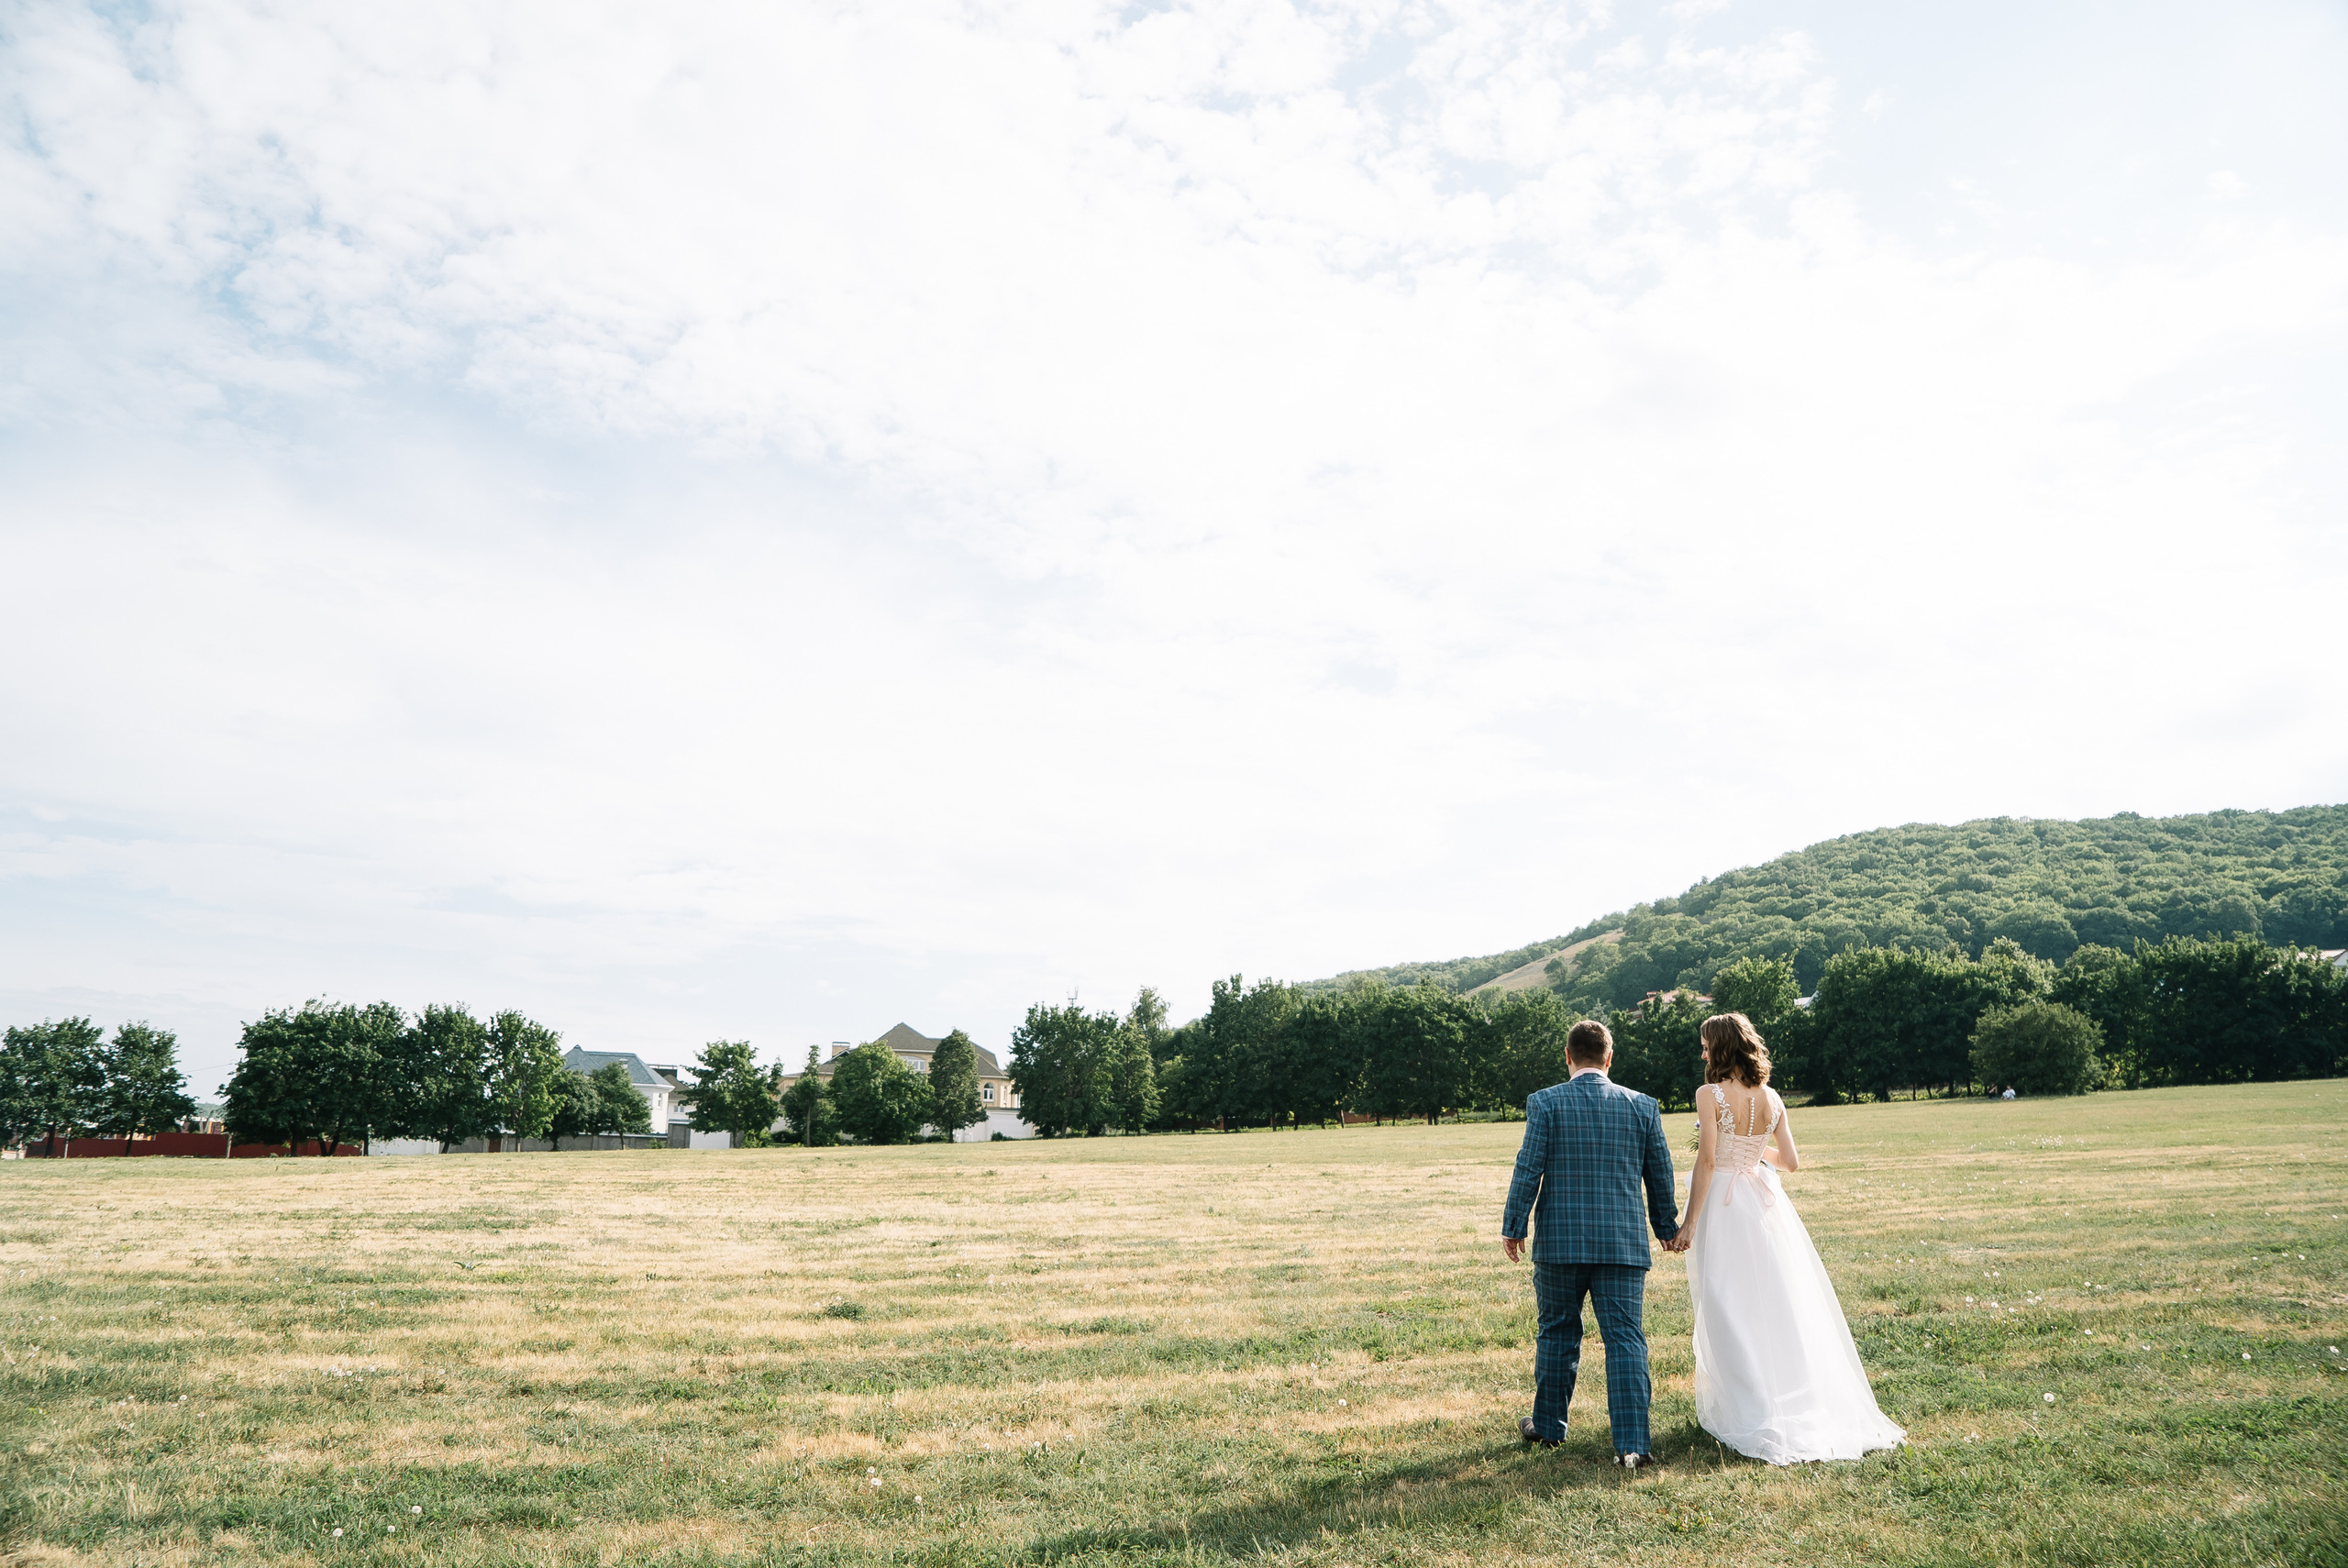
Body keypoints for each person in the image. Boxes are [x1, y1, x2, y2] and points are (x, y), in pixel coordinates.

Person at [1676, 1011, 1905, 1464]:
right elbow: (1791, 1162)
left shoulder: (1709, 1094)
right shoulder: (1773, 1096)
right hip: (1764, 1204)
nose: (1702, 1054)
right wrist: (1752, 1151)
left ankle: (1751, 1407)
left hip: (1724, 1205)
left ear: (1721, 1047)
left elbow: (1707, 1161)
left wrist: (1690, 1222)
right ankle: (1780, 1395)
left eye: (1705, 1046)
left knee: (1726, 1301)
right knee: (1774, 1300)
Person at [1500, 1019, 1681, 1470]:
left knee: (1557, 1331)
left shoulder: (1545, 1102)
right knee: (1625, 1339)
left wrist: (1514, 1225)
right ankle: (1634, 1445)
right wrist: (1665, 1225)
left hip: (1560, 1242)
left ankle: (1548, 1427)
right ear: (1609, 1058)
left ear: (1568, 1056)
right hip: (1622, 1243)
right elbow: (1659, 1172)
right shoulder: (1643, 1106)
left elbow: (1528, 1167)